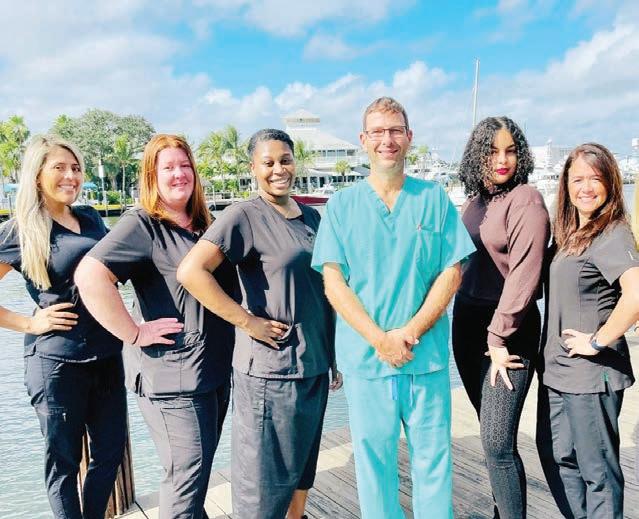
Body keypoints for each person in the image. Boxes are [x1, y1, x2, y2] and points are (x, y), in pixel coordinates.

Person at [311, 97, 475, 519]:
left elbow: (451, 272)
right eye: (378, 131)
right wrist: (379, 339)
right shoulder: (341, 206)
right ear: (363, 139)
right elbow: (334, 282)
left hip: (425, 357)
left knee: (434, 461)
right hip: (367, 361)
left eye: (396, 130)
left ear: (409, 137)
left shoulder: (433, 198)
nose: (388, 139)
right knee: (374, 465)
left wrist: (410, 331)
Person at [177, 128, 341, 519]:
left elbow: (326, 288)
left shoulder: (312, 217)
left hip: (314, 365)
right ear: (253, 167)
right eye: (268, 162)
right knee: (264, 487)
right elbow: (191, 271)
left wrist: (334, 357)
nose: (278, 169)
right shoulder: (244, 216)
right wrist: (247, 322)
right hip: (272, 372)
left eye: (285, 160)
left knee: (302, 472)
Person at [74, 134, 238, 519]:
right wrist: (134, 332)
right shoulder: (143, 224)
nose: (179, 174)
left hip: (213, 372)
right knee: (185, 479)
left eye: (185, 165)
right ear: (152, 176)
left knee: (196, 477)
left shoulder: (205, 225)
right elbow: (90, 276)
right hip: (172, 378)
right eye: (168, 167)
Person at [0, 135, 127, 519]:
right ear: (37, 175)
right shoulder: (19, 230)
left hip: (107, 354)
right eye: (59, 167)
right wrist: (29, 322)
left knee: (110, 451)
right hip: (56, 363)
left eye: (76, 168)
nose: (71, 176)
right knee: (64, 464)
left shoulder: (90, 218)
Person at [452, 117, 550, 518]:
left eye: (510, 151)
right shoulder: (474, 202)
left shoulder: (526, 199)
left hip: (509, 331)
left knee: (497, 443)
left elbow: (525, 276)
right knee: (492, 434)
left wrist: (497, 338)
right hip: (467, 322)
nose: (503, 160)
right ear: (477, 156)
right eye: (492, 151)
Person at [537, 143, 639, 518]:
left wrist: (598, 341)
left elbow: (636, 294)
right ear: (565, 184)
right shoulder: (570, 234)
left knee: (598, 473)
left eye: (594, 179)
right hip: (557, 371)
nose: (585, 187)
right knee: (559, 457)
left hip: (591, 375)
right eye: (577, 179)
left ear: (610, 182)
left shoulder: (611, 233)